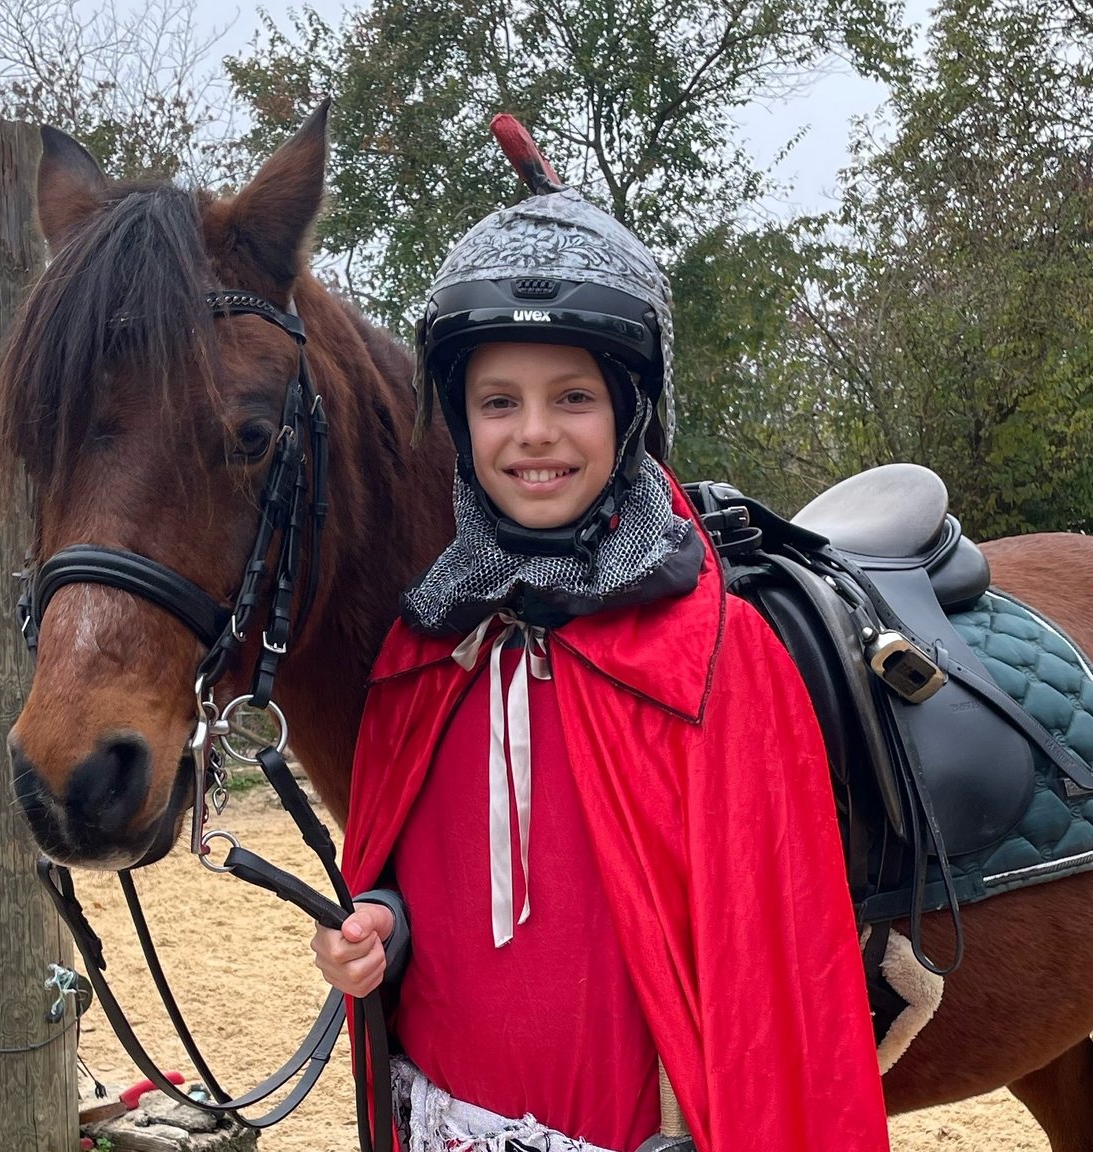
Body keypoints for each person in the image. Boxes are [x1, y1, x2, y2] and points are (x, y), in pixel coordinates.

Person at [310, 128, 888, 1152]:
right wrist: (379, 934)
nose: (533, 433)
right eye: (498, 403)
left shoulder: (715, 661)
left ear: (627, 416)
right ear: (459, 425)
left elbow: (773, 989)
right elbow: (422, 883)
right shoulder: (423, 652)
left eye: (571, 397)